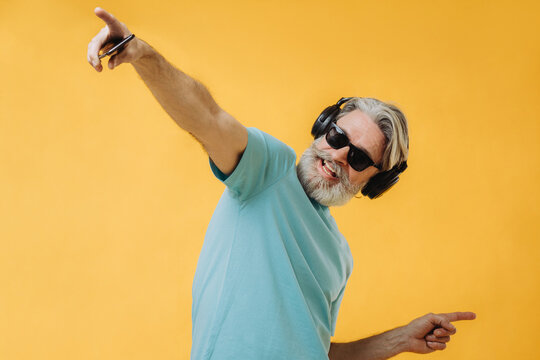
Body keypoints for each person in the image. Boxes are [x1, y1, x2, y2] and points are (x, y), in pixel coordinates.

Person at [87, 7, 476, 360]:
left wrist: (400, 340)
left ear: (374, 182)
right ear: (324, 128)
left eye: (358, 158)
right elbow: (208, 118)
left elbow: (316, 350)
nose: (339, 156)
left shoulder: (340, 256)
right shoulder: (267, 170)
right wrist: (141, 53)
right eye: (339, 137)